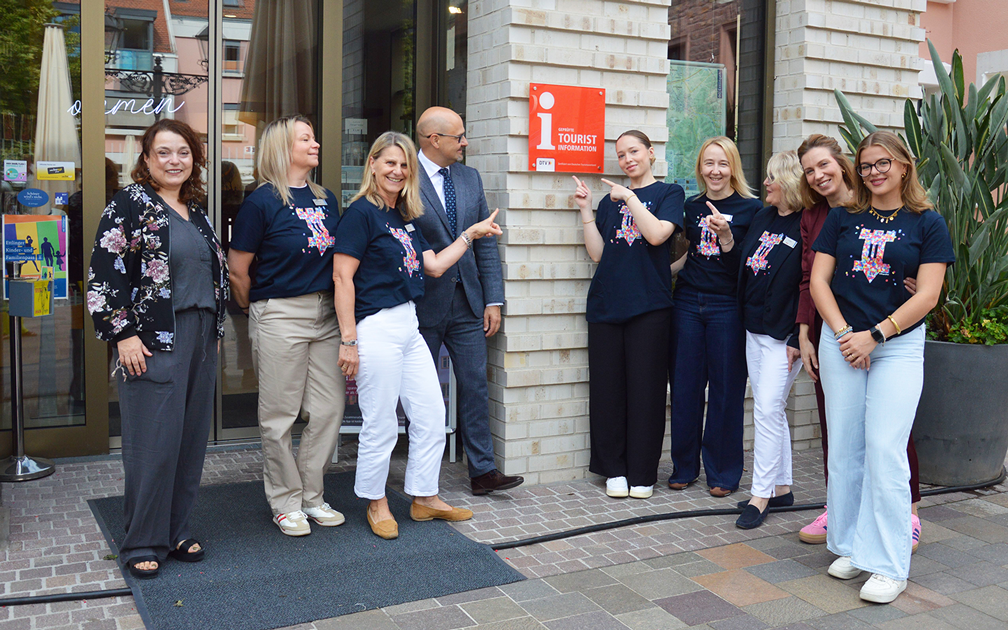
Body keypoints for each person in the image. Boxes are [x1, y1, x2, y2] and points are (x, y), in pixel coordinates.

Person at [333, 131, 500, 539]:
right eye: (389, 162)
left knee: (430, 415)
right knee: (381, 422)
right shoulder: (360, 214)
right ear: (372, 164)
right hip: (376, 326)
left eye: (404, 164)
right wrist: (349, 339)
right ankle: (376, 501)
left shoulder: (403, 216)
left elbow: (437, 265)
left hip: (408, 323)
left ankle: (424, 497)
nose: (397, 170)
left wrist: (470, 234)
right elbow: (342, 277)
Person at [810, 130, 954, 603]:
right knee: (846, 448)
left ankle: (891, 563)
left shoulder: (927, 223)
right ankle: (854, 545)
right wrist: (843, 335)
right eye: (867, 165)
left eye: (882, 163)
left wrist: (875, 335)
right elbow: (819, 281)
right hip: (843, 342)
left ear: (903, 166)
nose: (874, 172)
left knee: (884, 448)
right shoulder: (842, 217)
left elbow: (929, 295)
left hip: (895, 345)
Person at [87, 118, 228, 579]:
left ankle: (176, 529)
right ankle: (142, 541)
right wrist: (122, 334)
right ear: (146, 159)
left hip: (201, 337)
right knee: (153, 444)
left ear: (195, 159)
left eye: (183, 152)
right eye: (164, 152)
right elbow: (104, 274)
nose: (174, 161)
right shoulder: (128, 206)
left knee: (188, 442)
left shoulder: (196, 209)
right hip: (152, 340)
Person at [792, 134, 922, 549]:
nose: (817, 176)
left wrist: (894, 311)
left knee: (889, 432)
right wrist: (807, 332)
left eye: (823, 166)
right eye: (809, 171)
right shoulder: (816, 216)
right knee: (842, 431)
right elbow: (809, 280)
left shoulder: (904, 215)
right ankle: (843, 515)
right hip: (834, 333)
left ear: (844, 165)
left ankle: (909, 512)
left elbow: (925, 280)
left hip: (888, 335)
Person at [228, 115, 346, 537]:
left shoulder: (325, 198)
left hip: (326, 314)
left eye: (315, 136)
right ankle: (285, 501)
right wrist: (257, 311)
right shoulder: (261, 202)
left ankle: (312, 496)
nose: (315, 143)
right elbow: (238, 270)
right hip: (280, 313)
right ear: (283, 147)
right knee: (280, 414)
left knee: (330, 408)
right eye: (306, 138)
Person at [412, 107, 523, 496]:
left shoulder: (469, 177)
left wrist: (494, 299)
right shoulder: (404, 176)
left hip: (469, 302)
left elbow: (486, 243)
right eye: (458, 136)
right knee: (421, 393)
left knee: (476, 385)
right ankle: (420, 476)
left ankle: (483, 471)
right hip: (422, 304)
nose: (465, 142)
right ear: (433, 140)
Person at [572, 130, 684, 499]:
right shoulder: (610, 202)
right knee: (607, 392)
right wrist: (588, 209)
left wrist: (631, 198)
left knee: (646, 391)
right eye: (620, 155)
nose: (627, 159)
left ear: (651, 152)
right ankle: (613, 470)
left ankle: (641, 472)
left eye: (633, 151)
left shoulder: (668, 194)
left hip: (649, 307)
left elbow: (656, 236)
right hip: (606, 304)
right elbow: (599, 254)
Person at [667, 136, 762, 497]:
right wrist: (662, 276)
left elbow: (749, 268)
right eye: (709, 163)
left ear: (733, 167)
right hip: (688, 302)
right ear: (700, 168)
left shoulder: (753, 210)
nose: (716, 170)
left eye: (723, 163)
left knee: (726, 391)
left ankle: (723, 473)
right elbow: (689, 255)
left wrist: (726, 238)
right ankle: (684, 467)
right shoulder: (692, 208)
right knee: (686, 387)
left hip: (727, 307)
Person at [732, 151, 804, 528]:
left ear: (791, 181)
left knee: (766, 410)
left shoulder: (807, 225)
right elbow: (744, 263)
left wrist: (797, 334)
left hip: (783, 337)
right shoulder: (764, 216)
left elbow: (810, 285)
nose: (766, 183)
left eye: (773, 177)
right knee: (769, 407)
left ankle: (760, 496)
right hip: (754, 329)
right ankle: (782, 487)